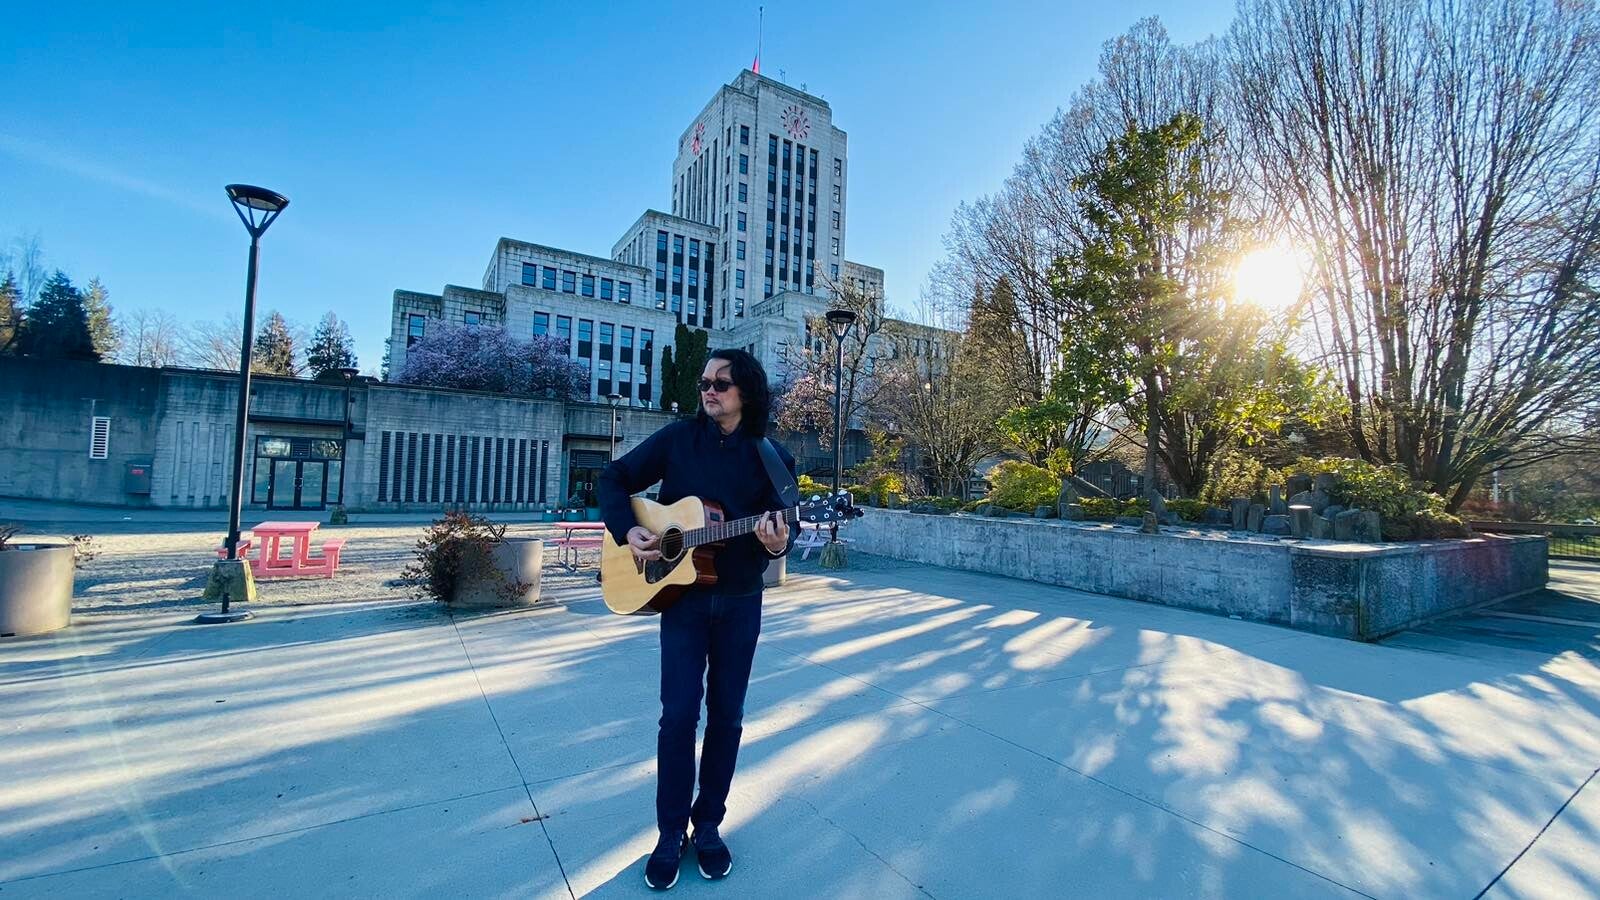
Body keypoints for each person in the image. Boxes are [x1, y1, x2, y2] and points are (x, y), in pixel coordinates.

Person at [597, 348, 797, 890]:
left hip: (740, 603)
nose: (709, 390)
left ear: (746, 392)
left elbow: (787, 531)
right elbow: (613, 477)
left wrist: (776, 544)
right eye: (705, 382)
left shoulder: (772, 456)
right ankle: (669, 834)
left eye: (720, 384)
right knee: (678, 717)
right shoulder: (678, 439)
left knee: (727, 718)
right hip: (681, 603)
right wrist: (628, 531)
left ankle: (707, 825)